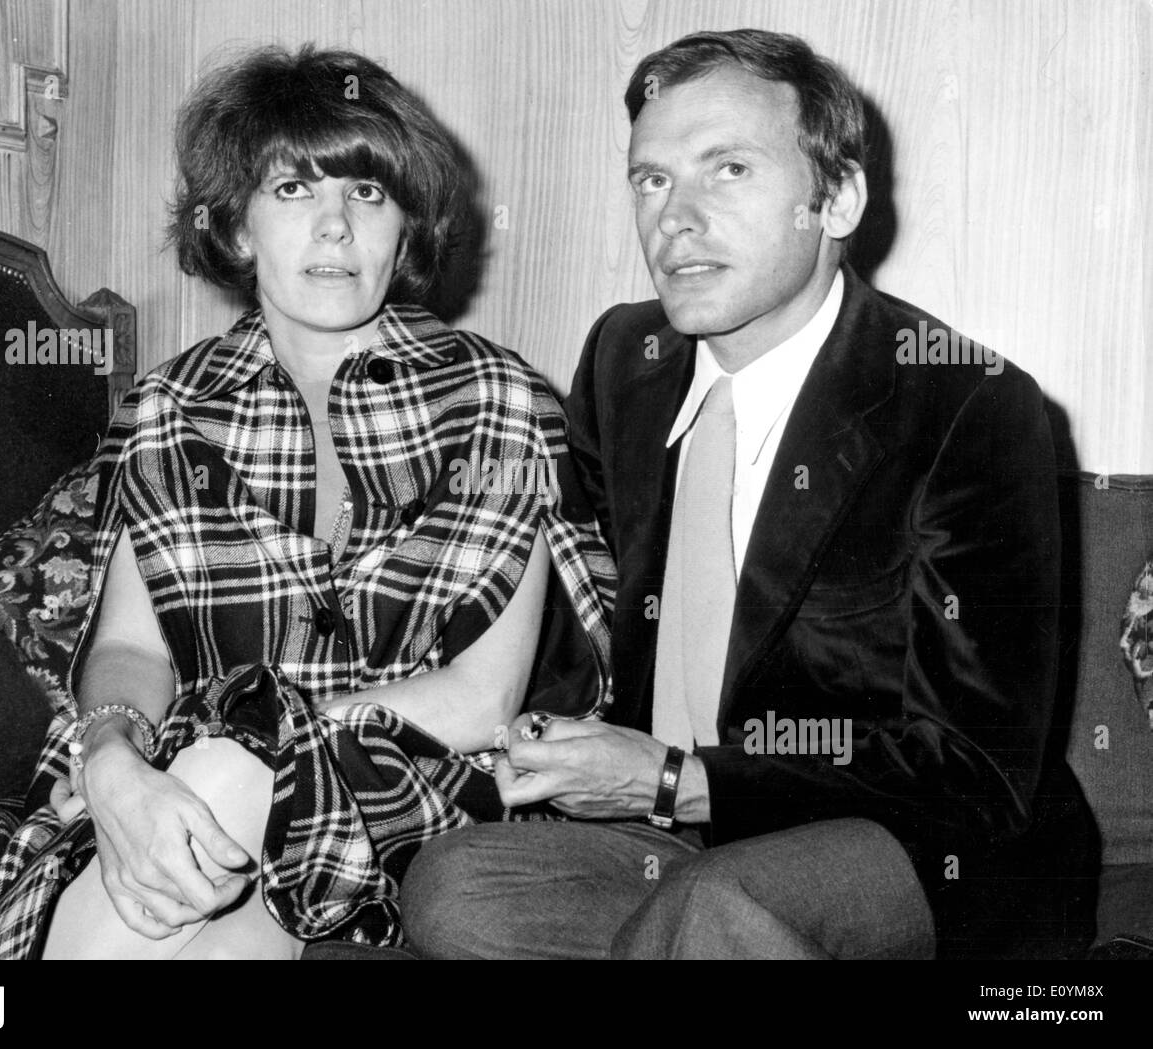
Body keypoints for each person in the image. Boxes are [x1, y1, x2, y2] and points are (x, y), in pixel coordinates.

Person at [0, 44, 613, 960]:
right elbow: (132, 650)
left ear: (406, 226)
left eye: (367, 194)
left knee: (215, 784)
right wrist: (112, 762)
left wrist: (255, 739)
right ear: (236, 225)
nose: (335, 228)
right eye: (295, 190)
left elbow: (478, 698)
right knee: (215, 908)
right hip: (211, 783)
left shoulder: (501, 400)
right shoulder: (171, 408)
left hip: (422, 786)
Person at [401, 28, 1096, 959]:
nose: (675, 217)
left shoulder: (969, 404)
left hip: (921, 844)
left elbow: (976, 768)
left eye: (727, 169)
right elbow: (582, 602)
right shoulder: (625, 360)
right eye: (650, 180)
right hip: (674, 846)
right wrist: (556, 738)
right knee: (454, 887)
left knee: (717, 907)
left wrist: (683, 781)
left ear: (836, 198)